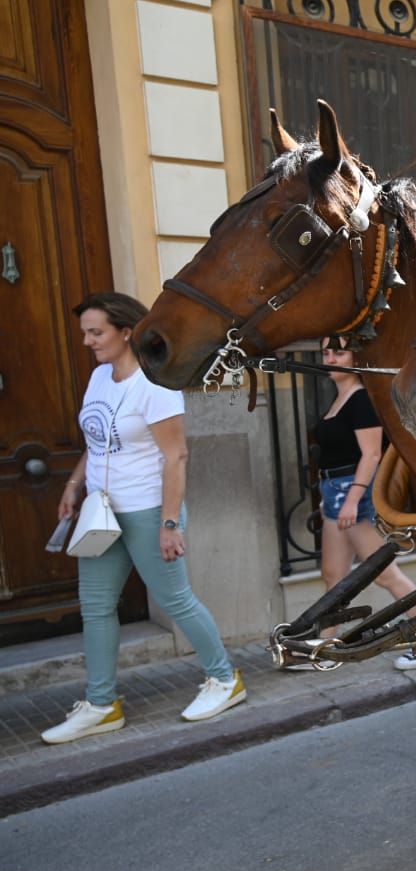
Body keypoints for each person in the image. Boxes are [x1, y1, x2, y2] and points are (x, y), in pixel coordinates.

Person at [43, 293, 245, 744]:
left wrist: (170, 524)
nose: (87, 341)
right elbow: (98, 442)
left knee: (176, 601)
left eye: (96, 332)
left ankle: (224, 679)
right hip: (103, 514)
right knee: (95, 608)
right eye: (85, 332)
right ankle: (101, 704)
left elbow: (177, 456)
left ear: (126, 331)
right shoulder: (99, 378)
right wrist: (74, 486)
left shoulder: (155, 385)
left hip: (149, 509)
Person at [314, 341, 416, 670]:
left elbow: (371, 455)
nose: (331, 359)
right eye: (326, 352)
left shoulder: (360, 400)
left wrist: (353, 499)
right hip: (334, 492)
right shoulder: (340, 398)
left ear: (354, 358)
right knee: (333, 576)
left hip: (351, 494)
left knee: (384, 574)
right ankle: (328, 647)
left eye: (339, 352)